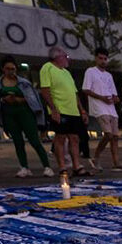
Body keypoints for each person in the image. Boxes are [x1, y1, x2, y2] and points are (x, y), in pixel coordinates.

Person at [0, 56, 52, 177]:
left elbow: (33, 99)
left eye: (13, 69)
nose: (11, 71)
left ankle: (47, 166)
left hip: (25, 112)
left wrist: (19, 99)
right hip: (9, 113)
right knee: (18, 141)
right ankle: (24, 166)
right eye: (8, 69)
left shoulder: (24, 82)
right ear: (3, 69)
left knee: (34, 140)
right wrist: (4, 101)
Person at [39, 45, 88, 175]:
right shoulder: (47, 68)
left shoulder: (66, 72)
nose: (67, 59)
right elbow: (45, 90)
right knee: (60, 138)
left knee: (74, 138)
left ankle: (76, 166)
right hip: (60, 110)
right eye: (65, 56)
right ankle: (62, 167)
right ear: (57, 57)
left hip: (73, 111)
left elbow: (74, 93)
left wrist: (82, 110)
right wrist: (53, 109)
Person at [82, 47, 122, 171]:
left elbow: (114, 93)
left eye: (105, 59)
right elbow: (85, 89)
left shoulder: (109, 75)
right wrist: (101, 98)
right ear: (96, 58)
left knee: (115, 136)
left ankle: (116, 162)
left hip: (111, 108)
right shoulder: (90, 71)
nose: (103, 61)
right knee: (108, 134)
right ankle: (95, 158)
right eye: (100, 58)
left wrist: (116, 98)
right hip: (99, 107)